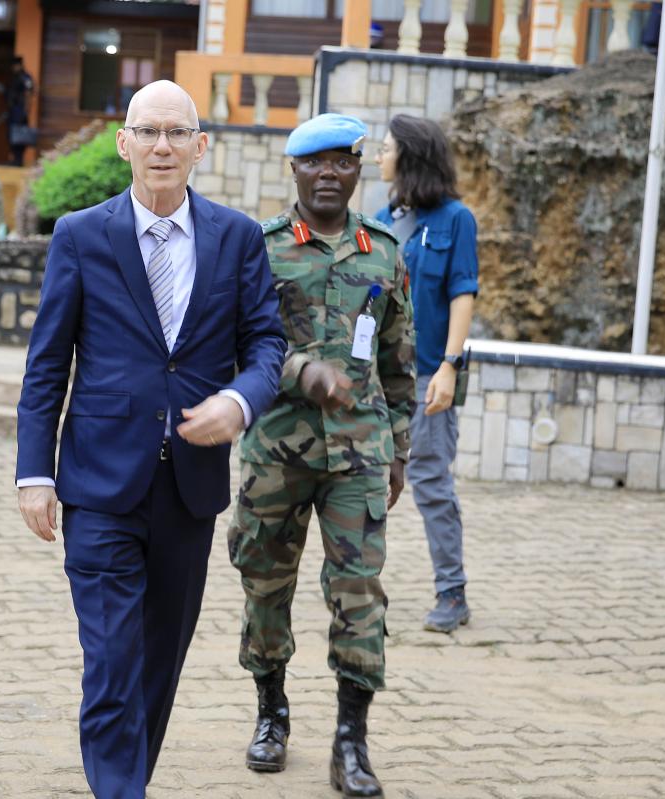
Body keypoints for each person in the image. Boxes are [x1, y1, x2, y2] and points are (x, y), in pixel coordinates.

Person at [15, 80, 286, 799]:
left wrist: (239, 399)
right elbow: (47, 365)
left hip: (189, 490)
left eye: (176, 133)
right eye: (148, 131)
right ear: (123, 143)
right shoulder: (80, 235)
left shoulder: (237, 238)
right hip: (99, 485)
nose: (161, 146)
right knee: (110, 663)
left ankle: (125, 780)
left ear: (200, 146)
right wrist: (32, 473)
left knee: (158, 665)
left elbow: (266, 345)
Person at [229, 114, 415, 796]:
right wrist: (302, 371)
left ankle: (351, 740)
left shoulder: (384, 251)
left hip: (359, 454)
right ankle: (271, 709)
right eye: (317, 163)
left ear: (358, 169)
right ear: (295, 170)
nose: (330, 173)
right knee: (264, 582)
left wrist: (400, 451)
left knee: (359, 593)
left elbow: (399, 360)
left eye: (343, 162)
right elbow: (241, 345)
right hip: (278, 449)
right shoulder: (261, 248)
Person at [374, 114, 479, 634]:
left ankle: (452, 593)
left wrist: (449, 367)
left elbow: (463, 291)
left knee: (431, 481)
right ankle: (365, 596)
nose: (377, 155)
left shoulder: (456, 220)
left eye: (387, 147)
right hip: (378, 379)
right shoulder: (380, 218)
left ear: (410, 155)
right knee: (368, 483)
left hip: (429, 375)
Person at [4, 56, 35, 166]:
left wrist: (26, 111)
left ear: (20, 65)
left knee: (20, 137)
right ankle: (15, 159)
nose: (14, 68)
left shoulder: (25, 78)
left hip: (20, 111)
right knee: (12, 136)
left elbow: (29, 94)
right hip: (13, 111)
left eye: (15, 65)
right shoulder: (15, 77)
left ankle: (18, 160)